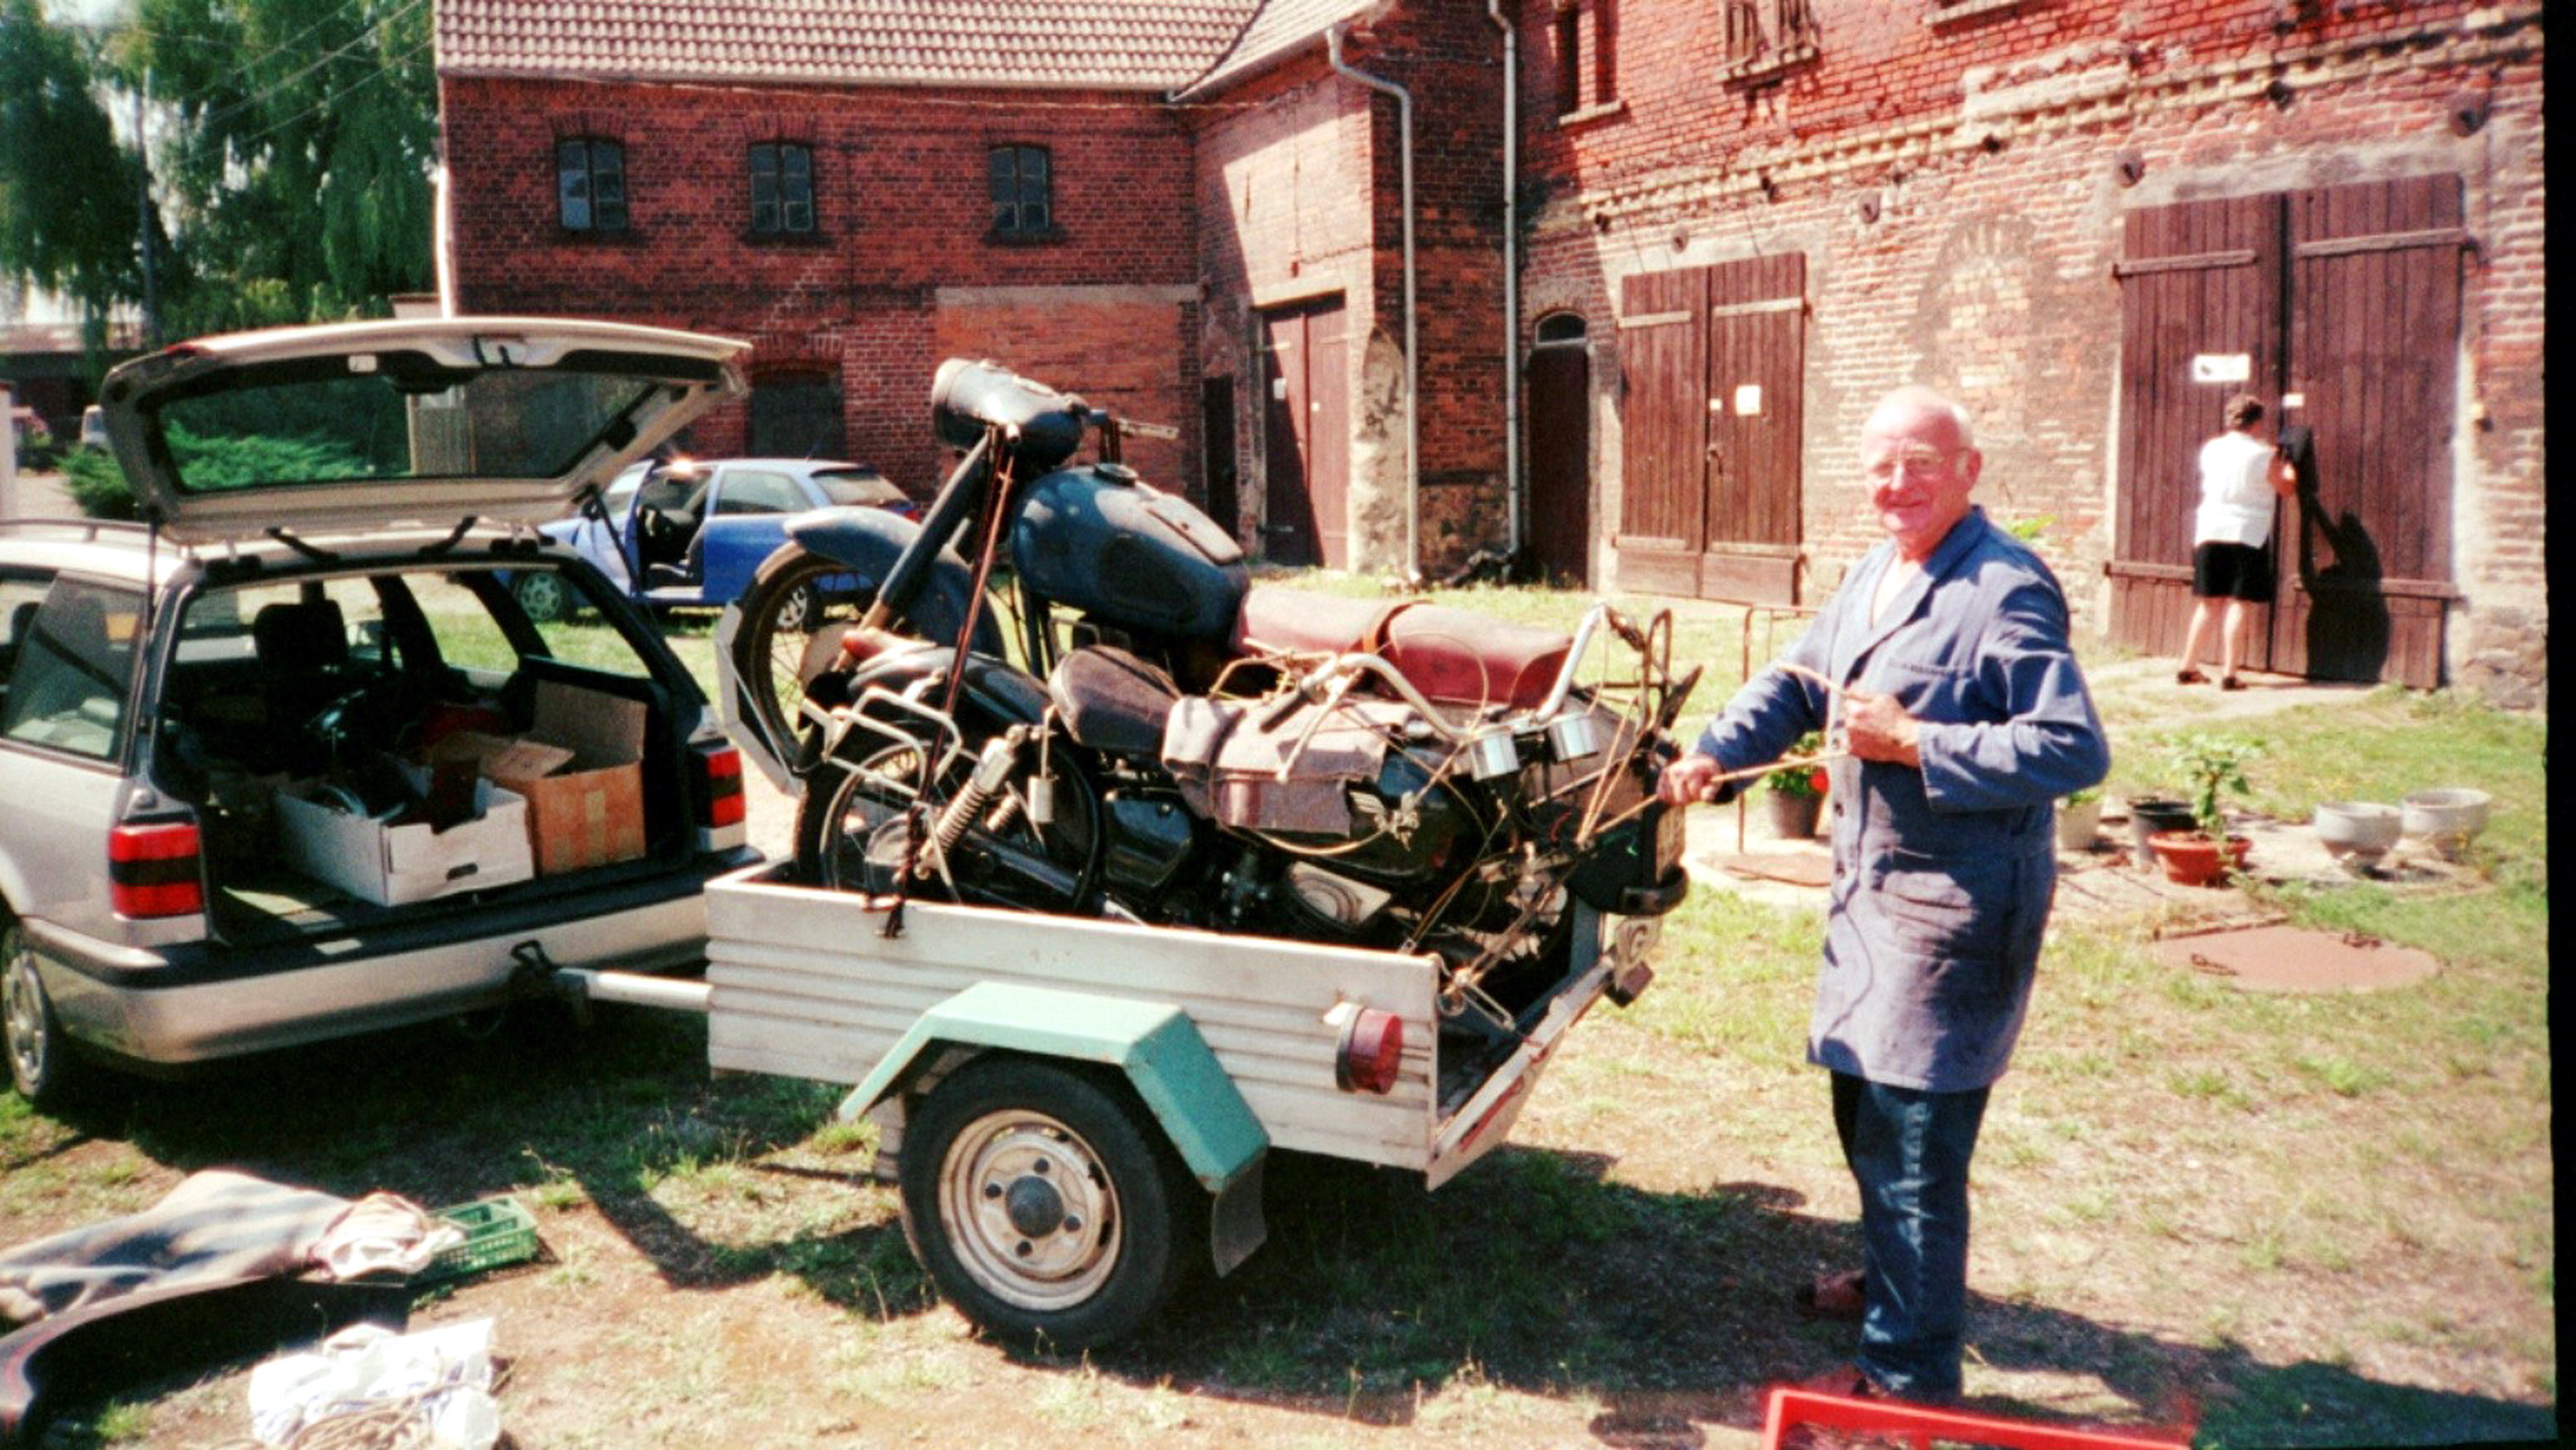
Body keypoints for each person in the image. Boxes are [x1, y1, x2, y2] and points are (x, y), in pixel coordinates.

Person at [1657, 385, 2110, 1403]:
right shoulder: (1876, 569)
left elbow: (2072, 746)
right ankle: (1891, 1283)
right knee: (1863, 1107)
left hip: (1952, 914)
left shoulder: (2003, 587)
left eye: (1920, 463)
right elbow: (1796, 680)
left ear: (1968, 471)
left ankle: (1905, 1379)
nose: (1896, 483)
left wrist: (1916, 741)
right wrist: (1716, 750)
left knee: (1912, 1147)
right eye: (1880, 466)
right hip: (1871, 904)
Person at [2175, 393, 2298, 690]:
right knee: (2239, 603)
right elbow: (2285, 489)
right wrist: (2290, 468)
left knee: (2209, 603)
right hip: (2247, 532)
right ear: (2258, 422)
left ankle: (2188, 667)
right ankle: (2230, 674)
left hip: (2211, 528)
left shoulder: (2212, 448)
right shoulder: (2265, 454)